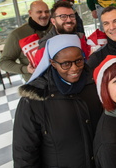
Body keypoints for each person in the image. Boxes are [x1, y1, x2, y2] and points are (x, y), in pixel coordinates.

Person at [13, 34, 102, 167]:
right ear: (52, 63)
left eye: (79, 61)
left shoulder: (96, 84)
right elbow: (25, 154)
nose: (75, 68)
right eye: (66, 64)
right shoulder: (35, 99)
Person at [0, 0, 51, 81]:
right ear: (30, 13)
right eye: (39, 12)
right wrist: (26, 69)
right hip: (37, 84)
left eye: (47, 11)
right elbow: (4, 63)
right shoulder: (17, 34)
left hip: (62, 81)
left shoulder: (55, 27)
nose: (44, 15)